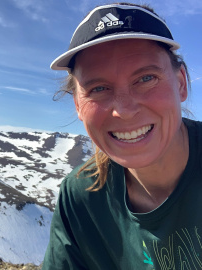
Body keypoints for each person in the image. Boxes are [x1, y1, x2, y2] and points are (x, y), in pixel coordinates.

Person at [42, 3, 202, 270]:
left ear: (181, 83)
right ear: (78, 106)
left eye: (146, 78)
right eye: (99, 87)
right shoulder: (81, 197)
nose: (124, 111)